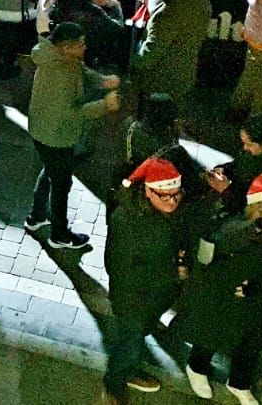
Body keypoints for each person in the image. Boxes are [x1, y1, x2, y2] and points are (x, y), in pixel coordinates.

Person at [172, 174, 262, 405]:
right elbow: (209, 259)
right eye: (261, 212)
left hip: (257, 305)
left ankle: (239, 382)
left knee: (250, 348)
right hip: (224, 301)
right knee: (210, 337)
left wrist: (258, 288)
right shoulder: (231, 227)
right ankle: (197, 367)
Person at [103, 158, 195, 399]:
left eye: (176, 195)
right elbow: (120, 269)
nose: (172, 202)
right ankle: (115, 383)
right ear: (147, 190)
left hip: (157, 295)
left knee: (139, 333)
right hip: (134, 300)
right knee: (129, 344)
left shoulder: (168, 211)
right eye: (165, 196)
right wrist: (173, 274)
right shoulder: (126, 220)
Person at [24, 22, 120, 248]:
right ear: (66, 48)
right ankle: (59, 235)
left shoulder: (55, 55)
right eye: (81, 45)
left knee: (51, 171)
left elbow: (81, 69)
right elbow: (71, 114)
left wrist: (101, 80)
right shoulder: (60, 74)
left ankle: (36, 217)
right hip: (56, 136)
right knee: (61, 184)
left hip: (43, 129)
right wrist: (105, 105)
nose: (85, 48)